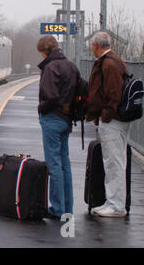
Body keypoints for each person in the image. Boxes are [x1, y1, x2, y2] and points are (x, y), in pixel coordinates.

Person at [86, 31, 131, 218]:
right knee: (115, 162)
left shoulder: (109, 64)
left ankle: (115, 206)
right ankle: (113, 202)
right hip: (116, 120)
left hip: (113, 121)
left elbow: (114, 95)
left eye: (91, 45)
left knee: (113, 163)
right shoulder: (114, 60)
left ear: (96, 45)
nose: (91, 48)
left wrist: (105, 116)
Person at [36, 36, 79, 219]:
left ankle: (58, 208)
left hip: (52, 119)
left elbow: (50, 96)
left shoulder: (50, 68)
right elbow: (81, 88)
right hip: (67, 118)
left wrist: (41, 108)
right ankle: (67, 207)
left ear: (44, 51)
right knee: (64, 163)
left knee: (54, 164)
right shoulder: (71, 66)